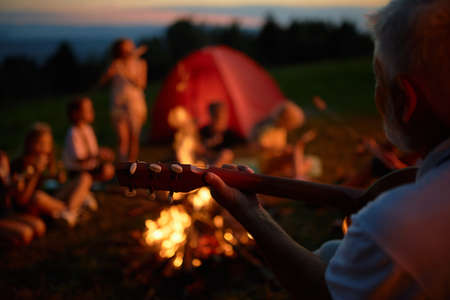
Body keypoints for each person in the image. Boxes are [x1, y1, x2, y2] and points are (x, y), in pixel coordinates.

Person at [149, 0, 450, 298]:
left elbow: (320, 289)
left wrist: (252, 214)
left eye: (378, 78)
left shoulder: (398, 223)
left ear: (405, 100)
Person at [11, 123, 92, 227]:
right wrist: (36, 172)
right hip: (36, 205)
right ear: (29, 143)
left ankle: (71, 211)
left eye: (48, 143)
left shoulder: (49, 161)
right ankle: (74, 209)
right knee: (38, 197)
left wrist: (59, 176)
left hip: (54, 198)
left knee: (85, 177)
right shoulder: (20, 164)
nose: (44, 147)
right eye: (40, 143)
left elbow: (58, 182)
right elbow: (22, 200)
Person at [99, 38, 148, 162]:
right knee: (122, 138)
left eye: (130, 47)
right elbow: (102, 82)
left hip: (135, 104)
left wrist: (126, 72)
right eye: (125, 49)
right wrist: (111, 71)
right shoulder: (115, 63)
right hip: (118, 103)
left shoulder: (141, 63)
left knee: (134, 137)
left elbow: (141, 84)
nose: (128, 51)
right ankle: (122, 166)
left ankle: (132, 167)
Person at [63, 96, 115, 183]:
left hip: (90, 167)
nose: (91, 112)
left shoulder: (88, 129)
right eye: (87, 109)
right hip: (77, 171)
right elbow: (78, 158)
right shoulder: (73, 132)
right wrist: (97, 155)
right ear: (76, 113)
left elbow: (93, 151)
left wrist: (102, 154)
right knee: (106, 170)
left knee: (110, 168)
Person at [0, 151, 45, 245]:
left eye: (5, 165)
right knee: (25, 233)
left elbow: (20, 200)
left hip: (7, 213)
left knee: (39, 226)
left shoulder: (3, 158)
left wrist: (14, 187)